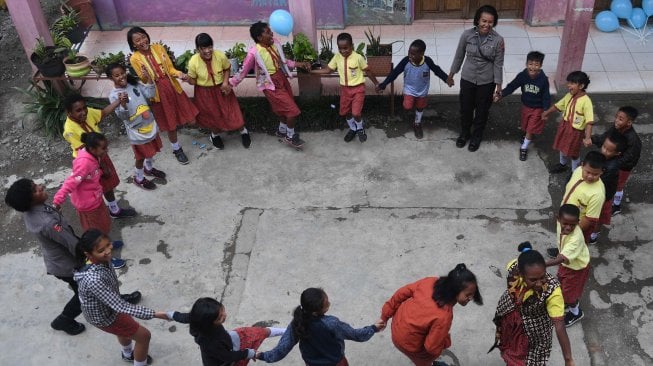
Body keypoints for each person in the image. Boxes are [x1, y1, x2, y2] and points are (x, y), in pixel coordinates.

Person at [74, 229, 172, 366]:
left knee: (125, 330)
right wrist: (155, 314)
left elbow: (115, 303)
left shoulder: (99, 260)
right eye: (101, 250)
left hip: (109, 308)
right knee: (144, 336)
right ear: (88, 254)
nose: (108, 251)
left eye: (108, 244)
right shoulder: (93, 279)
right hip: (105, 316)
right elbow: (120, 306)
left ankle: (127, 354)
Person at [4, 178, 86, 335]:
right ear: (29, 202)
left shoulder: (34, 211)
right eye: (35, 190)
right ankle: (64, 320)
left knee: (86, 288)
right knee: (84, 293)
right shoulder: (47, 222)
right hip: (68, 265)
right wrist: (91, 256)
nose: (41, 187)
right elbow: (72, 244)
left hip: (59, 261)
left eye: (36, 185)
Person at [53, 132, 130, 269]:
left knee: (104, 224)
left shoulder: (94, 155)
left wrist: (100, 172)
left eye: (106, 146)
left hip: (96, 198)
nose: (106, 150)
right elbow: (70, 183)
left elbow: (92, 173)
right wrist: (58, 200)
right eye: (103, 148)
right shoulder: (83, 163)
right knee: (95, 236)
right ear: (93, 149)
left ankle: (107, 244)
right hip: (87, 205)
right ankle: (105, 261)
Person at [380, 263, 482, 366]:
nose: (471, 298)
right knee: (425, 359)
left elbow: (400, 294)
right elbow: (431, 347)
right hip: (409, 345)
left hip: (396, 327)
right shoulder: (444, 316)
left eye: (473, 293)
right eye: (468, 294)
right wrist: (446, 341)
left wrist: (385, 316)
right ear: (455, 290)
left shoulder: (430, 281)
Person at [490, 242, 574, 366]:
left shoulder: (553, 290)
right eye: (533, 280)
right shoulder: (514, 268)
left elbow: (559, 325)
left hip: (535, 331)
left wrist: (568, 359)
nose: (539, 284)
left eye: (542, 277)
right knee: (509, 346)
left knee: (531, 359)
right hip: (511, 317)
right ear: (521, 274)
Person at [230, 21, 311, 148]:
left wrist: (299, 64)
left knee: (283, 108)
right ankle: (290, 136)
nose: (271, 33)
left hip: (281, 79)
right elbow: (244, 70)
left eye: (270, 31)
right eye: (268, 32)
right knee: (292, 111)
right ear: (259, 37)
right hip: (270, 84)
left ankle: (281, 131)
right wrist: (230, 83)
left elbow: (283, 61)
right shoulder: (254, 52)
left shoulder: (275, 43)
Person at [255, 287, 383, 365]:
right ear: (317, 311)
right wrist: (373, 328)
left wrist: (261, 355)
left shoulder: (297, 323)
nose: (330, 303)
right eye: (327, 303)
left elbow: (281, 350)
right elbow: (356, 335)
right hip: (336, 363)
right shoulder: (331, 324)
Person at [128, 26, 199, 165]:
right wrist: (146, 76)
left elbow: (170, 68)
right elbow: (143, 80)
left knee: (191, 119)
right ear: (133, 44)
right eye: (137, 40)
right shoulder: (134, 58)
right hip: (157, 93)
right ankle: (176, 148)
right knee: (170, 124)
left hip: (172, 87)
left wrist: (179, 74)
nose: (142, 41)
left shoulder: (158, 48)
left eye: (143, 36)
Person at [62, 93, 136, 218]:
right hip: (89, 163)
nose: (84, 112)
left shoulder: (88, 113)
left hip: (99, 155)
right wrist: (102, 167)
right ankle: (102, 211)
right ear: (69, 112)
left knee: (107, 185)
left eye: (84, 108)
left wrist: (118, 101)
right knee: (96, 188)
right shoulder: (70, 130)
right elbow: (87, 152)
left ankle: (114, 209)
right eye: (78, 110)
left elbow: (103, 113)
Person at [448, 4, 505, 152]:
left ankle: (476, 136)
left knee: (482, 111)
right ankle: (465, 133)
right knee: (465, 109)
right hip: (467, 78)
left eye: (490, 22)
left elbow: (498, 64)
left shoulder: (498, 40)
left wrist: (498, 86)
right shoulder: (467, 35)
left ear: (494, 23)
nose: (486, 24)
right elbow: (459, 56)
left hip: (487, 81)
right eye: (484, 21)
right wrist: (451, 75)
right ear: (477, 20)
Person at [168, 297, 285, 366]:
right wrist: (249, 353)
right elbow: (228, 357)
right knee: (259, 333)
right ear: (209, 322)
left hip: (230, 340)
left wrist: (163, 314)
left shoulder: (198, 319)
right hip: (225, 361)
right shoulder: (211, 343)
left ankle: (286, 331)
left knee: (260, 332)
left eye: (222, 310)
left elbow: (179, 316)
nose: (225, 315)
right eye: (219, 318)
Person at [186, 33, 251, 150]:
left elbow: (227, 69)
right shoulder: (193, 62)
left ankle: (243, 131)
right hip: (204, 92)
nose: (207, 51)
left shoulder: (220, 56)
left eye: (210, 47)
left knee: (232, 110)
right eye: (203, 48)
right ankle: (214, 135)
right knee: (213, 115)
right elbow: (193, 82)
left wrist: (226, 83)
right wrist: (188, 79)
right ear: (198, 49)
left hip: (222, 88)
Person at [107, 63, 166, 191]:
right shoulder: (114, 96)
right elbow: (123, 117)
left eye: (122, 73)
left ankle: (148, 169)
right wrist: (122, 104)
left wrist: (149, 79)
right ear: (111, 78)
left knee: (151, 151)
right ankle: (138, 178)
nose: (121, 77)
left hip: (149, 124)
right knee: (141, 156)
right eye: (117, 75)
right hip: (137, 132)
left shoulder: (134, 84)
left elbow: (150, 94)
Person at [375, 39, 449, 139]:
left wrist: (446, 79)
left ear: (422, 54)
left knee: (420, 107)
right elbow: (395, 73)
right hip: (409, 89)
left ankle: (417, 123)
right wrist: (383, 84)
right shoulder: (406, 61)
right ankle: (411, 102)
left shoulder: (427, 61)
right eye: (409, 53)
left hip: (422, 90)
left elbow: (437, 70)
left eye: (413, 54)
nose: (410, 56)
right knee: (407, 106)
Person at [312, 32, 379, 143]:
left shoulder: (358, 57)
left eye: (346, 48)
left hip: (358, 89)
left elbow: (368, 71)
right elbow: (328, 70)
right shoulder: (337, 57)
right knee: (346, 113)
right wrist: (312, 71)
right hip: (345, 90)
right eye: (340, 48)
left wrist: (376, 84)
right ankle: (353, 129)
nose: (343, 51)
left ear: (352, 46)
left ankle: (360, 128)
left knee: (356, 113)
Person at [494, 51, 551, 161]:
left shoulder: (543, 80)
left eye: (536, 64)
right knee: (525, 126)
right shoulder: (522, 76)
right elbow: (512, 86)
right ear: (526, 64)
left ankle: (524, 147)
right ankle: (527, 136)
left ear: (541, 65)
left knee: (530, 128)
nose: (533, 67)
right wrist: (501, 94)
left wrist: (545, 110)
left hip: (538, 109)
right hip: (526, 106)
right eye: (530, 64)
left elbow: (546, 96)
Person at [591, 106, 642, 216]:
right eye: (616, 117)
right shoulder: (615, 128)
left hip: (623, 167)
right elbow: (604, 138)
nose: (616, 121)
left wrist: (614, 165)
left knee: (618, 185)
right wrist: (592, 139)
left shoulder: (633, 139)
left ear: (629, 123)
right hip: (613, 162)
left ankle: (616, 205)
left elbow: (630, 158)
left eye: (620, 119)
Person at [545, 204, 590, 327]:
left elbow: (560, 259)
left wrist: (541, 265)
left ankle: (576, 312)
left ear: (578, 222)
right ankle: (567, 302)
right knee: (562, 285)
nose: (568, 227)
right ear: (558, 218)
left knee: (570, 295)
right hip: (568, 264)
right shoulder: (561, 225)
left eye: (573, 225)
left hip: (576, 269)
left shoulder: (576, 239)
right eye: (565, 223)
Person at [543, 71, 594, 174]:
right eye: (568, 83)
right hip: (564, 126)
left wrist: (588, 137)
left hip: (576, 132)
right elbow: (558, 106)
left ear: (581, 86)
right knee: (562, 146)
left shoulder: (586, 101)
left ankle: (575, 172)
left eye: (572, 83)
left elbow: (589, 122)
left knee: (574, 152)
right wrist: (546, 113)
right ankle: (562, 164)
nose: (568, 85)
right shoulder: (568, 95)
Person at [589, 131, 628, 244]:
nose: (604, 150)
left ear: (617, 153)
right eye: (604, 147)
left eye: (608, 150)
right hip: (599, 195)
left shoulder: (611, 167)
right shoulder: (602, 158)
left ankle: (594, 236)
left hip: (604, 197)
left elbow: (598, 181)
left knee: (598, 219)